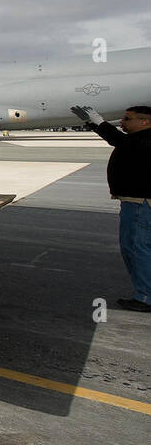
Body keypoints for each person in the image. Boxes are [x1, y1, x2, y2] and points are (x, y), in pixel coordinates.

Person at [71, 105, 151, 312]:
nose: (123, 122)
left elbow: (121, 142)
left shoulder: (144, 140)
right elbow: (121, 142)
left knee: (136, 248)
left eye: (127, 119)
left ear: (144, 122)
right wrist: (96, 124)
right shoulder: (140, 139)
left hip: (140, 204)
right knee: (140, 248)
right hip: (138, 202)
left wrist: (100, 123)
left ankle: (146, 297)